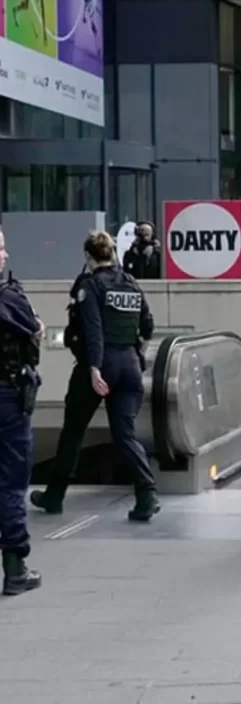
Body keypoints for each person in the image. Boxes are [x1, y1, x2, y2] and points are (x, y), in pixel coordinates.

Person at [31, 231, 160, 522]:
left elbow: (92, 330)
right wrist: (134, 349)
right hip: (129, 365)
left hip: (101, 364)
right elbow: (148, 325)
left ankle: (54, 495)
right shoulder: (130, 283)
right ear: (113, 253)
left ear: (88, 257)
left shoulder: (90, 286)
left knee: (73, 431)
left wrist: (94, 368)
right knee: (125, 434)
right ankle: (147, 494)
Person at [0, 228, 44, 596]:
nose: (5, 256)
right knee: (12, 481)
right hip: (7, 397)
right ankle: (15, 569)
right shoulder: (10, 298)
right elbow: (34, 330)